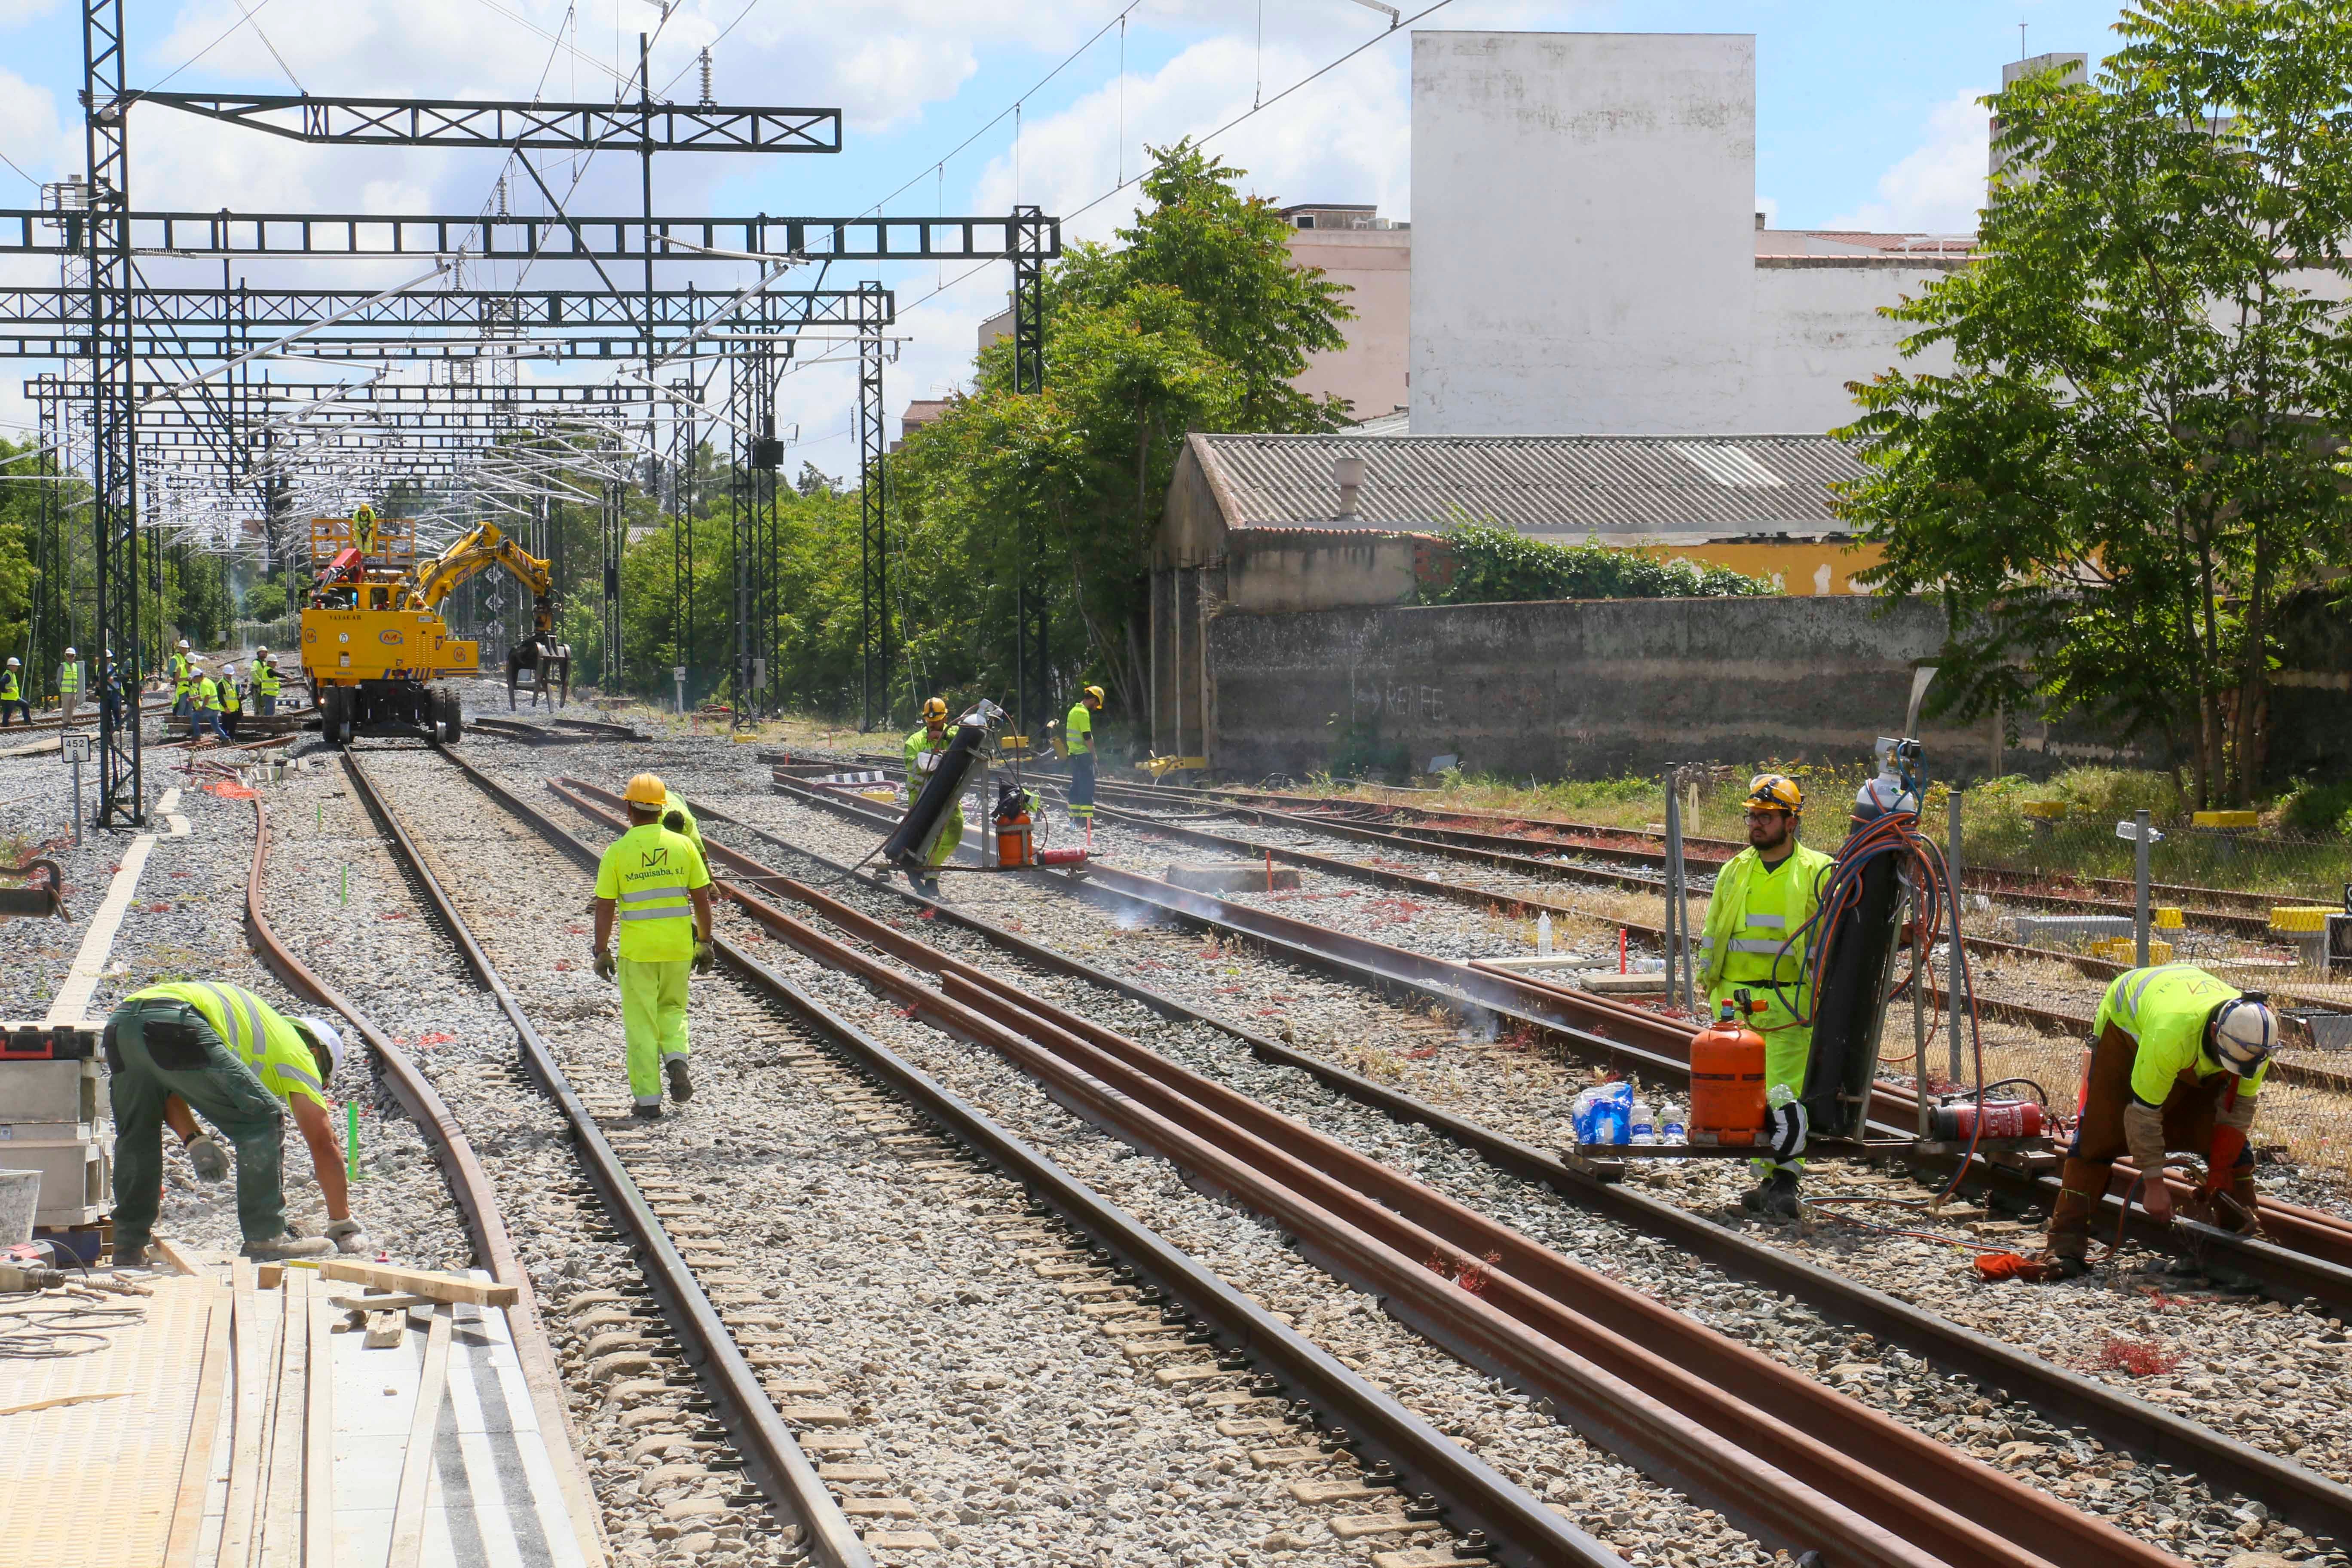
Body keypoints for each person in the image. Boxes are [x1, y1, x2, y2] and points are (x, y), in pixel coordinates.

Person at [2028, 967, 2287, 1279]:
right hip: (2125, 1029)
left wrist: (2220, 1170)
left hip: (2185, 1025)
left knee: (2224, 1145)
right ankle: (2064, 1246)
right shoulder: (2169, 1035)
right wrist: (2154, 1182)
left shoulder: (2255, 1042)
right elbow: (2143, 1114)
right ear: (2217, 1030)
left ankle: (2241, 1241)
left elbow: (2236, 1113)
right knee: (2099, 1138)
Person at [104, 981, 371, 1263]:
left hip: (121, 1024)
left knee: (136, 1132)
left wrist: (195, 1138)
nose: (313, 1086)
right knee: (264, 1119)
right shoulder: (299, 1054)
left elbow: (165, 1085)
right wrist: (341, 1222)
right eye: (321, 1081)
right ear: (317, 1054)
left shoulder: (261, 1036)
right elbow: (323, 1142)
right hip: (175, 1021)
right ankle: (265, 1239)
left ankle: (128, 1248)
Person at [1695, 773, 1835, 1219]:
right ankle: (1768, 1179)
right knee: (1747, 1099)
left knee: (1785, 1095)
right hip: (1735, 1006)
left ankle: (1785, 1179)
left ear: (1791, 822)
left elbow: (1834, 939)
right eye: (1752, 815)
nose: (1755, 824)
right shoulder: (1736, 870)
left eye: (1766, 817)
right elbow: (1714, 932)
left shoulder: (1819, 871)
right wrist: (1710, 986)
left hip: (1789, 1006)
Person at [591, 772, 715, 1118]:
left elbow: (605, 906)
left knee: (641, 1022)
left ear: (628, 808)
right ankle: (677, 1059)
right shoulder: (684, 846)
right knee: (673, 1009)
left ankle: (648, 1101)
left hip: (638, 952)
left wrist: (601, 950)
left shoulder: (617, 852)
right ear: (662, 809)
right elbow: (702, 900)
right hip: (678, 948)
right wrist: (704, 943)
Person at [901, 697, 964, 897]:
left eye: (936, 721)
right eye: (929, 721)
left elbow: (965, 742)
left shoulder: (953, 734)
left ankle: (929, 869)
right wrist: (930, 755)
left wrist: (944, 737)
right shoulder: (914, 741)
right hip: (921, 797)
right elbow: (911, 765)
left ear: (945, 717)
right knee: (922, 839)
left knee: (953, 833)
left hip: (947, 795)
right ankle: (925, 874)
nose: (932, 724)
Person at [1064, 684, 1105, 829]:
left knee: (1076, 786)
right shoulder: (1082, 713)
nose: (1096, 707)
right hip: (1083, 755)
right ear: (1093, 699)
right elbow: (1087, 736)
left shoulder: (1073, 711)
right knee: (1087, 787)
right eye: (1097, 703)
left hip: (1073, 755)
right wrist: (1094, 756)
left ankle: (1074, 820)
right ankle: (1087, 822)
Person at [217, 663, 242, 741]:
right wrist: (225, 707)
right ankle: (224, 741)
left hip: (234, 708)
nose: (229, 676)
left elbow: (234, 695)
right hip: (227, 709)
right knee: (226, 726)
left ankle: (232, 740)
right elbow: (220, 697)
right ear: (224, 674)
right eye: (228, 675)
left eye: (230, 675)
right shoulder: (222, 684)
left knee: (233, 726)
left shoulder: (234, 682)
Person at [56, 646, 81, 725]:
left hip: (74, 691)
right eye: (69, 656)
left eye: (72, 656)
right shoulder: (63, 666)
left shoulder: (75, 666)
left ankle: (70, 721)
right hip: (66, 691)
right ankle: (65, 722)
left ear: (74, 657)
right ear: (66, 657)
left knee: (72, 708)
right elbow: (58, 680)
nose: (70, 658)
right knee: (66, 708)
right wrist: (61, 689)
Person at [170, 639, 193, 722]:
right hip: (180, 684)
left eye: (187, 649)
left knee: (189, 707)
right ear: (180, 649)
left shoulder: (187, 658)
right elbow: (171, 672)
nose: (186, 650)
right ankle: (179, 720)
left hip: (188, 686)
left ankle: (187, 722)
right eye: (184, 648)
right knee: (181, 705)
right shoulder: (175, 658)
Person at [254, 649, 281, 717]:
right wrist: (258, 681)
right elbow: (277, 674)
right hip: (269, 694)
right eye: (275, 663)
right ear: (270, 663)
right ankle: (269, 725)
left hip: (268, 694)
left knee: (267, 711)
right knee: (270, 712)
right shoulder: (269, 670)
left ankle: (266, 724)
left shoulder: (266, 669)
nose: (276, 664)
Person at [0, 656, 24, 726]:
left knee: (25, 705)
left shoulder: (12, 674)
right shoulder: (8, 675)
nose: (17, 668)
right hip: (9, 699)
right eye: (16, 666)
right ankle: (5, 727)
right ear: (11, 666)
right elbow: (1, 683)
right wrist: (5, 691)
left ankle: (28, 721)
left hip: (14, 698)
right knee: (7, 713)